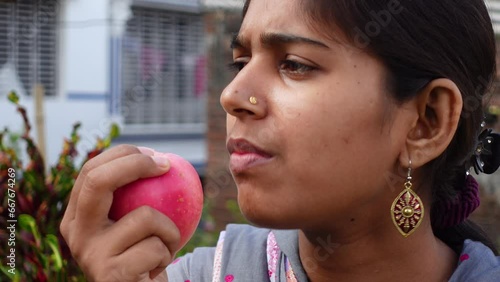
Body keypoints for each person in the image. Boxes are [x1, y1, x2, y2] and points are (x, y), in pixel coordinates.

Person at [60, 0, 500, 281]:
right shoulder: (200, 275)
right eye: (241, 62)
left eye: (294, 64)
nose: (232, 96)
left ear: (426, 122)